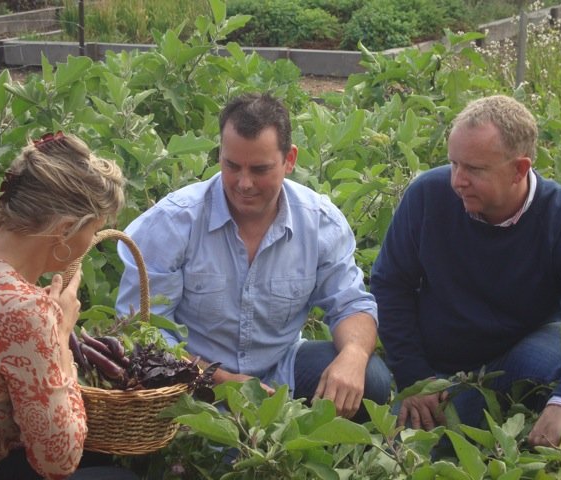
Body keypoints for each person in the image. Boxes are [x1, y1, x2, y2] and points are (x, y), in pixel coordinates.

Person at [116, 92, 391, 421]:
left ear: (290, 159)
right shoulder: (174, 222)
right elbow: (142, 331)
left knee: (371, 377)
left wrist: (355, 354)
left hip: (281, 369)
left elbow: (351, 304)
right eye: (232, 166)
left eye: (259, 169)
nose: (244, 184)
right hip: (191, 378)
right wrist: (219, 380)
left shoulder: (319, 222)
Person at [370, 95, 561, 447]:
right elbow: (390, 286)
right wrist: (414, 377)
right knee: (405, 445)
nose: (457, 181)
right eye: (454, 164)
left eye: (474, 169)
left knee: (555, 353)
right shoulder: (428, 196)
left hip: (526, 358)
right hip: (439, 370)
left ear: (519, 169)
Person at [0, 133, 136, 480]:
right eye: (94, 229)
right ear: (64, 230)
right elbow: (57, 460)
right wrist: (60, 334)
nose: (92, 241)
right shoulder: (27, 310)